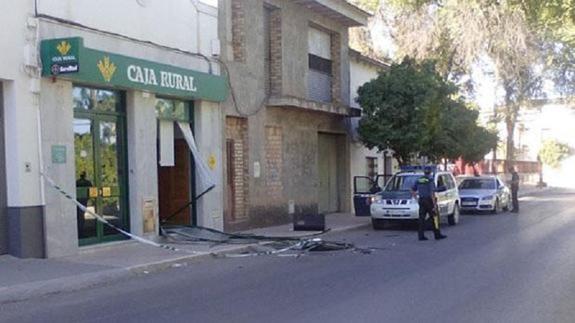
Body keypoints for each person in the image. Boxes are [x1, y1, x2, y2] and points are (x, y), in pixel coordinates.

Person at [412, 166, 447, 241]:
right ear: (430, 172)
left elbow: (412, 189)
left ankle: (421, 236)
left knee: (421, 218)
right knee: (434, 218)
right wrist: (434, 205)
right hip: (429, 201)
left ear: (424, 172)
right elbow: (432, 193)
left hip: (421, 200)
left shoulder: (419, 179)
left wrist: (417, 198)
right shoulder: (430, 180)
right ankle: (437, 234)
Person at [76, 171, 93, 238]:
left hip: (78, 201)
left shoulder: (77, 182)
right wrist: (88, 198)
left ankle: (79, 230)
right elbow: (91, 191)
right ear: (85, 175)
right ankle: (81, 230)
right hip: (83, 201)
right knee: (81, 215)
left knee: (79, 215)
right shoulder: (88, 182)